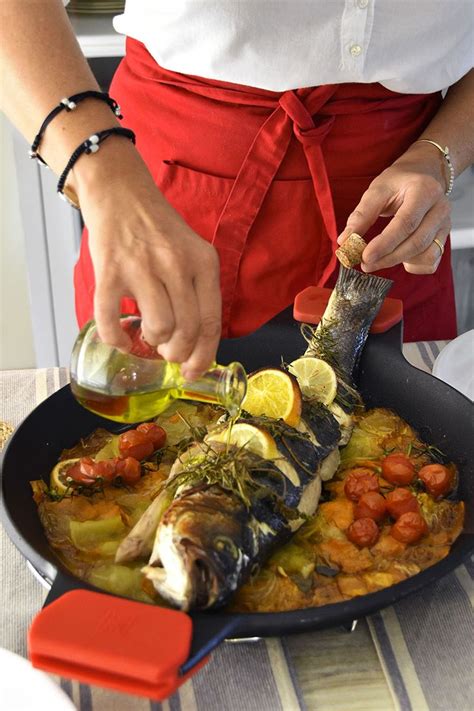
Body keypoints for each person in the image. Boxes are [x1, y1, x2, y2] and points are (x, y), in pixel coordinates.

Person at [1, 1, 473, 379]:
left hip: (396, 212)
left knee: (405, 457)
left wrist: (439, 154)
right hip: (170, 196)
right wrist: (105, 179)